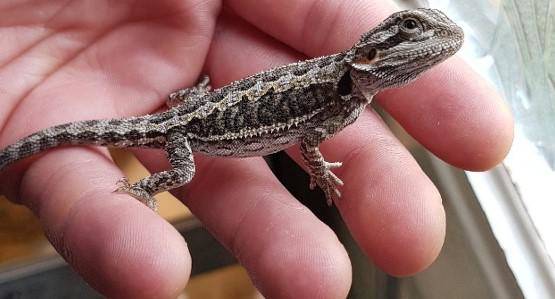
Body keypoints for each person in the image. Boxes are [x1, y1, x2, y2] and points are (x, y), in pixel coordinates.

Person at [0, 1, 513, 298]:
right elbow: (310, 138)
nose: (432, 42)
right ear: (373, 54)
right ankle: (144, 186)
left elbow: (307, 132)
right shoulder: (343, 98)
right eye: (410, 30)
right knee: (178, 176)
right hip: (190, 132)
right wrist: (321, 171)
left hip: (195, 110)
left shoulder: (346, 92)